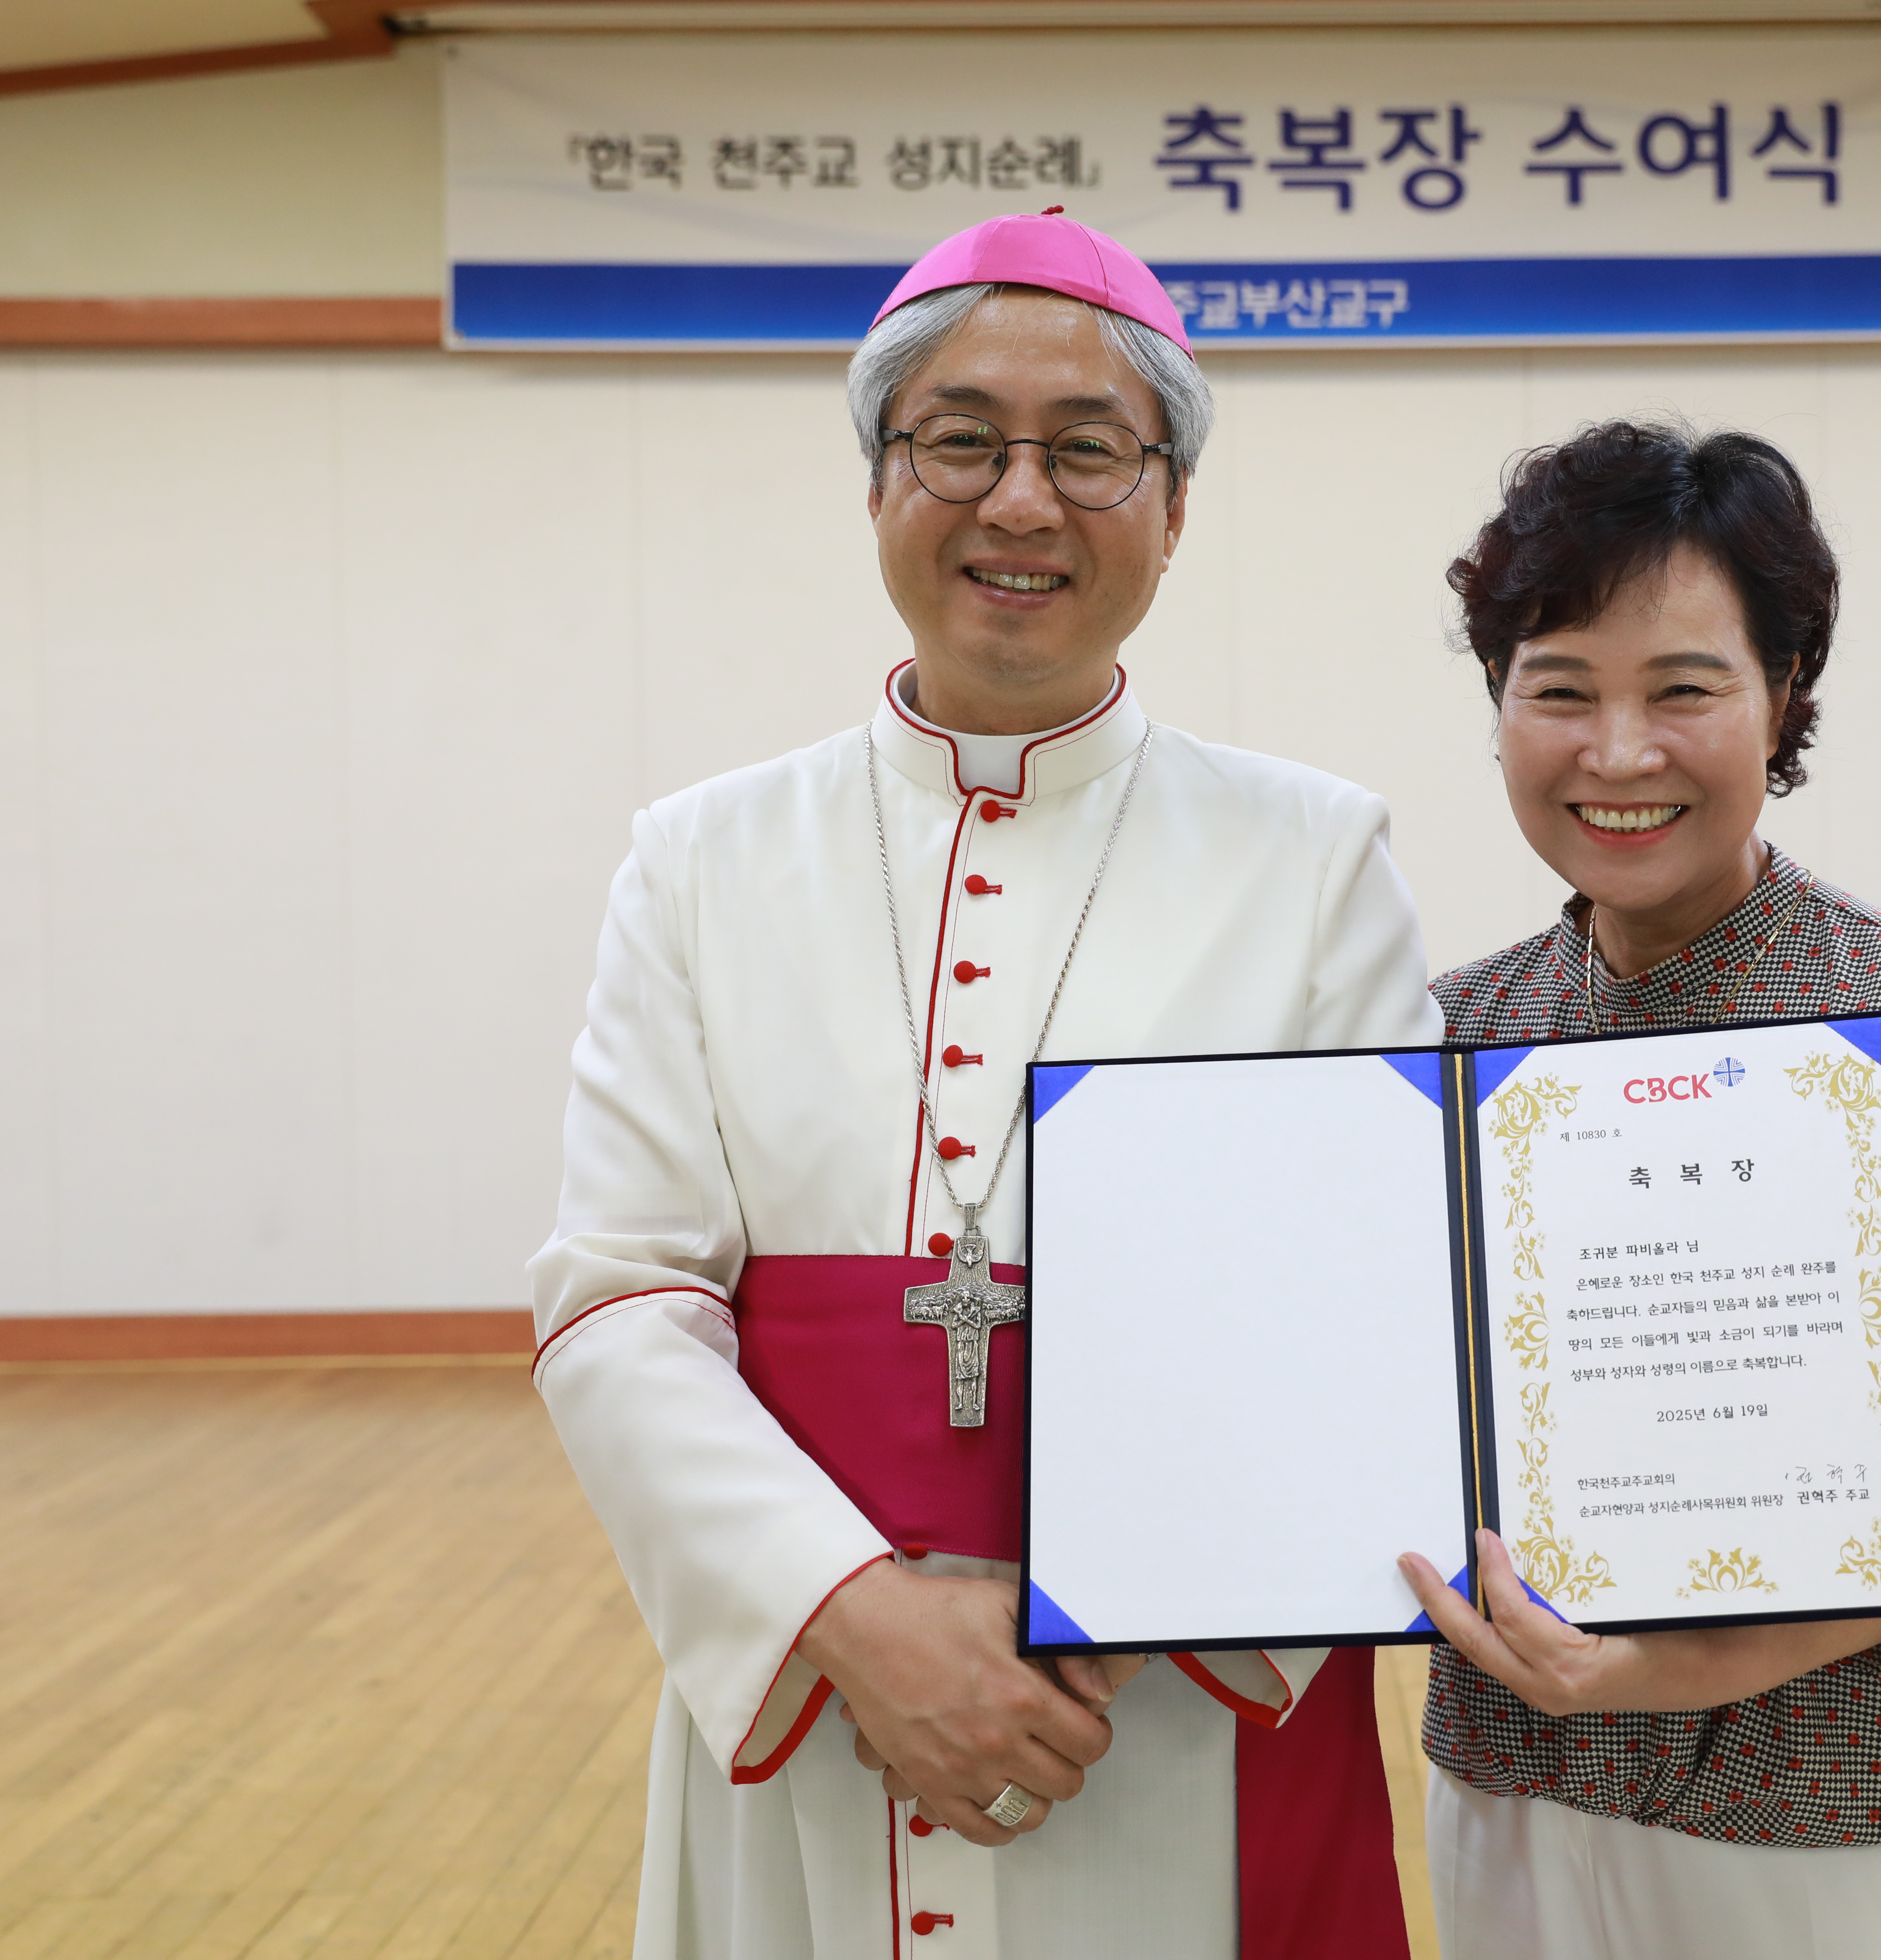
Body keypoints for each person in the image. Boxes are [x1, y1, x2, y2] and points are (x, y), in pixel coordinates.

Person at [529, 212, 1439, 1960]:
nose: (1020, 501)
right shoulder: (700, 860)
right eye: (961, 439)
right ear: (878, 480)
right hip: (811, 1697)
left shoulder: (1316, 857)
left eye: (1090, 449)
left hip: (1171, 1729)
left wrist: (1081, 1643)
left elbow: (1371, 1312)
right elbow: (619, 1295)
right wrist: (856, 1615)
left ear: (1172, 508)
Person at [1398, 421, 1881, 1959]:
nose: (1619, 753)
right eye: (1560, 689)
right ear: (1499, 709)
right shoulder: (1451, 1041)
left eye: (1683, 689)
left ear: (1783, 696)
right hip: (1524, 1794)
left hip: (1843, 1812)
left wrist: (1670, 1672)